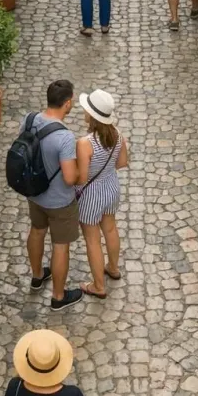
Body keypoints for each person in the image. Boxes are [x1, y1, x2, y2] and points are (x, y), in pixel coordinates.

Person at [25, 80, 84, 310]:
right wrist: (81, 171)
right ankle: (58, 297)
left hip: (35, 194)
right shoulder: (65, 137)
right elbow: (69, 178)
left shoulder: (29, 120)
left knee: (37, 231)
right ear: (67, 103)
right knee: (60, 245)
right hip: (60, 201)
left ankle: (37, 276)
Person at [74, 89, 128, 298]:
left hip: (91, 195)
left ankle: (98, 286)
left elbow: (82, 178)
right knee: (111, 229)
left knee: (92, 240)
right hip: (111, 187)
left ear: (92, 115)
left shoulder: (85, 143)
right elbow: (122, 163)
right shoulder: (117, 135)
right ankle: (113, 268)